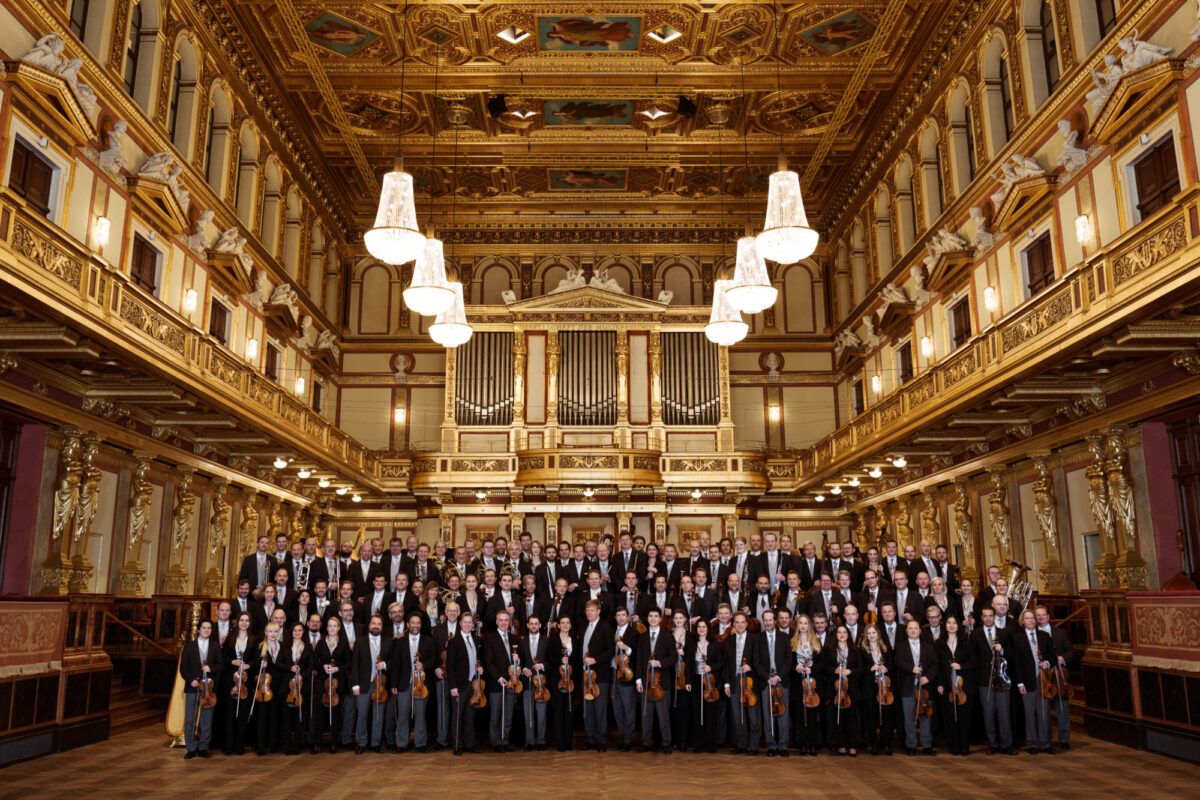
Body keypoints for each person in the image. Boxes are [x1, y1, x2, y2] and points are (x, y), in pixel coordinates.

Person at [973, 605, 1014, 754]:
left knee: (1004, 714)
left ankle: (1006, 745)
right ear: (981, 618)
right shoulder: (975, 635)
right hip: (985, 681)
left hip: (1002, 680)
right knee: (988, 715)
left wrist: (1002, 650)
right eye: (985, 616)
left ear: (994, 616)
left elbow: (1012, 654)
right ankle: (992, 744)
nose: (988, 618)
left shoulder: (1004, 633)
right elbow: (973, 659)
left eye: (991, 615)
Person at [1011, 609, 1054, 754]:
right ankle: (1032, 744)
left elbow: (1052, 656)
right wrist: (1019, 683)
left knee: (1044, 713)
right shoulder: (1017, 638)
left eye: (1032, 618)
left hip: (1043, 680)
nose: (1030, 620)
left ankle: (1045, 744)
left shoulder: (1044, 636)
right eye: (1027, 618)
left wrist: (1047, 662)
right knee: (1029, 714)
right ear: (1022, 621)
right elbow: (1016, 662)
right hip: (1026, 681)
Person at [180, 619, 223, 759]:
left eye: (209, 628)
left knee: (207, 718)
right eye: (204, 627)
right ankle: (191, 748)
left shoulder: (215, 646)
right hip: (193, 687)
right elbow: (183, 668)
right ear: (199, 629)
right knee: (190, 718)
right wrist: (190, 680)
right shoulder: (189, 646)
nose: (206, 630)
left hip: (208, 688)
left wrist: (211, 669)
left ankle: (204, 747)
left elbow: (220, 665)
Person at [895, 619, 938, 755]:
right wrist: (911, 669)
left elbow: (935, 664)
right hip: (908, 687)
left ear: (920, 631)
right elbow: (898, 662)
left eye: (915, 628)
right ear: (906, 631)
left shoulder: (928, 646)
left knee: (925, 715)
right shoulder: (900, 646)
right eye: (910, 628)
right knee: (909, 717)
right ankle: (911, 745)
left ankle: (927, 745)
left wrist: (928, 677)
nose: (913, 630)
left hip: (924, 687)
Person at [636, 606, 674, 752]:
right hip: (646, 682)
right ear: (647, 618)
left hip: (662, 683)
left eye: (656, 616)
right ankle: (646, 742)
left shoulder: (667, 636)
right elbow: (639, 659)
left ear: (660, 618)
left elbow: (673, 657)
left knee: (663, 715)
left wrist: (659, 663)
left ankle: (666, 743)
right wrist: (638, 680)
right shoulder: (643, 636)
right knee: (646, 714)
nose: (653, 619)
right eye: (650, 616)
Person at [936, 613, 975, 756]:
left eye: (954, 623)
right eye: (949, 623)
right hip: (947, 685)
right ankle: (954, 745)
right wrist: (939, 683)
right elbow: (937, 665)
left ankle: (964, 746)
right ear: (944, 625)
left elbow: (973, 662)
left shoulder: (967, 641)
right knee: (950, 716)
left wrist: (961, 666)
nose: (951, 625)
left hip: (963, 686)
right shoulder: (939, 643)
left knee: (964, 717)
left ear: (958, 625)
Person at [444, 612, 482, 755]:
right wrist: (452, 686)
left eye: (469, 622)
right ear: (460, 624)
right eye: (465, 622)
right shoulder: (453, 642)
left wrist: (480, 668)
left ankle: (469, 744)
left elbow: (479, 660)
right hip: (459, 685)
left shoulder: (477, 640)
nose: (467, 624)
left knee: (470, 716)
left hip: (474, 683)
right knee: (458, 716)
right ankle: (457, 745)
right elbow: (450, 666)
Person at [723, 611, 761, 754]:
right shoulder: (729, 640)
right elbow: (727, 664)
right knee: (737, 715)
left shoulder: (755, 639)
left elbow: (761, 660)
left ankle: (754, 745)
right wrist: (726, 683)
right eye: (737, 622)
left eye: (742, 622)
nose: (740, 625)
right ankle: (741, 744)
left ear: (747, 624)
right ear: (733, 624)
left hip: (750, 682)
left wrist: (751, 667)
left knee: (753, 715)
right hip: (734, 681)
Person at [1035, 605, 1073, 749]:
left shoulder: (1060, 633)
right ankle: (1046, 741)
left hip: (1059, 675)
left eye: (1043, 614)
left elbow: (1070, 651)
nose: (1041, 617)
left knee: (1062, 709)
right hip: (1043, 676)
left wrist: (1063, 658)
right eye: (1038, 615)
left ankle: (1064, 739)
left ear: (1048, 616)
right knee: (1044, 710)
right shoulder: (1033, 634)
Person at [350, 614, 388, 753]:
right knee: (362, 714)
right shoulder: (360, 642)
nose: (376, 626)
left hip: (381, 685)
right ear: (369, 625)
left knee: (378, 714)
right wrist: (355, 685)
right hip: (363, 684)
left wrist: (385, 664)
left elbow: (393, 661)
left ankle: (375, 742)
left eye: (379, 624)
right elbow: (355, 664)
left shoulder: (388, 641)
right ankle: (361, 742)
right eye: (373, 623)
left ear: (382, 627)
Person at [578, 599, 614, 750]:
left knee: (600, 709)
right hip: (586, 675)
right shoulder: (584, 626)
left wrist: (595, 660)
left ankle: (601, 740)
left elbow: (611, 651)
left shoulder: (605, 627)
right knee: (588, 708)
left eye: (592, 610)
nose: (589, 613)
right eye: (587, 610)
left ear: (598, 611)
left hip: (600, 676)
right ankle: (590, 739)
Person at [311, 616, 350, 753]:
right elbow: (314, 661)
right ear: (326, 628)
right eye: (329, 626)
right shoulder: (321, 642)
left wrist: (338, 668)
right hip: (323, 682)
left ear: (338, 628)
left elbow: (349, 663)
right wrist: (323, 666)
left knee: (336, 714)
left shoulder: (344, 643)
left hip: (337, 683)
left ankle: (334, 743)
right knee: (320, 713)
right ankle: (317, 743)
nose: (332, 628)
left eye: (335, 626)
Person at [822, 623, 861, 756]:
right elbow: (824, 667)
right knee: (838, 717)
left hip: (852, 688)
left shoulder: (855, 650)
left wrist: (850, 671)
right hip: (836, 688)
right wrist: (835, 670)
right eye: (839, 632)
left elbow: (861, 668)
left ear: (848, 634)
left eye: (844, 632)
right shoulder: (829, 650)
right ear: (836, 635)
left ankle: (853, 744)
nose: (842, 634)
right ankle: (841, 744)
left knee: (852, 717)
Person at [757, 609, 791, 757]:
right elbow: (756, 662)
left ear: (775, 621)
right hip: (766, 682)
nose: (768, 622)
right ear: (763, 621)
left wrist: (778, 677)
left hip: (782, 681)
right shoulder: (758, 638)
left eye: (771, 619)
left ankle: (783, 746)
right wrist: (767, 677)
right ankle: (771, 745)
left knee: (783, 715)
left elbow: (789, 660)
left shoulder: (785, 637)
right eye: (766, 620)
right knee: (768, 715)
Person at [222, 612, 256, 755]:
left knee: (243, 713)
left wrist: (249, 665)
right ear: (237, 622)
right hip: (231, 680)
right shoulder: (230, 638)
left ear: (250, 623)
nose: (244, 623)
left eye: (247, 620)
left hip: (246, 681)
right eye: (241, 620)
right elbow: (223, 657)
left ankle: (239, 746)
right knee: (230, 714)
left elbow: (257, 659)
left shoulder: (254, 639)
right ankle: (228, 746)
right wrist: (232, 661)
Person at [689, 619, 723, 753]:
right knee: (697, 713)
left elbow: (721, 662)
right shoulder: (692, 644)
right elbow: (688, 663)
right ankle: (699, 744)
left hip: (710, 681)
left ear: (708, 629)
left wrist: (711, 667)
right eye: (699, 626)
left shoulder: (715, 644)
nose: (701, 629)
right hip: (696, 681)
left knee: (710, 714)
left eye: (704, 627)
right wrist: (688, 682)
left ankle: (710, 744)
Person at [860, 623, 894, 755]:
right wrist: (871, 668)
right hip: (869, 686)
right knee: (870, 715)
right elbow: (859, 669)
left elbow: (892, 665)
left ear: (878, 634)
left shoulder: (885, 648)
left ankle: (886, 743)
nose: (871, 635)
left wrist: (886, 668)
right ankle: (873, 743)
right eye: (869, 633)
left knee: (886, 715)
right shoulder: (862, 650)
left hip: (884, 685)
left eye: (873, 632)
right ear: (866, 635)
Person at [254, 621, 287, 755]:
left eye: (275, 631)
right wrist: (260, 665)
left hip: (278, 686)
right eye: (270, 631)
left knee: (275, 716)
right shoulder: (260, 647)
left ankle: (273, 745)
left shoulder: (283, 647)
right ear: (266, 633)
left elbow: (285, 665)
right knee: (262, 716)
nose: (273, 634)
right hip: (264, 686)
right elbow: (254, 665)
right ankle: (260, 746)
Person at [280, 622, 312, 755]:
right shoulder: (285, 646)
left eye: (300, 630)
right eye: (295, 630)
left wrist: (302, 676)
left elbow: (311, 665)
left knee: (299, 716)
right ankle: (287, 745)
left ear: (303, 632)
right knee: (287, 717)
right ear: (291, 632)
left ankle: (297, 745)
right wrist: (290, 668)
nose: (297, 633)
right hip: (287, 685)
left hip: (302, 685)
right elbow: (279, 663)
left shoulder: (308, 647)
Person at [519, 613, 550, 750]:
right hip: (527, 683)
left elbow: (551, 661)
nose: (534, 626)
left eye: (536, 624)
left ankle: (541, 741)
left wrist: (542, 665)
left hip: (541, 684)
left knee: (541, 714)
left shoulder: (546, 640)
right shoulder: (522, 641)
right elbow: (519, 661)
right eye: (531, 623)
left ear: (540, 625)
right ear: (527, 625)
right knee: (528, 714)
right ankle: (530, 741)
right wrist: (524, 669)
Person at [610, 606, 639, 750]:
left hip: (627, 675)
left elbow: (638, 653)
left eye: (623, 615)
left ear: (628, 617)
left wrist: (626, 647)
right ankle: (622, 736)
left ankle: (629, 739)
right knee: (617, 709)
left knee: (628, 709)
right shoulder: (612, 632)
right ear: (615, 617)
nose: (621, 617)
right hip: (614, 675)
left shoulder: (634, 632)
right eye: (618, 615)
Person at [548, 615, 577, 751]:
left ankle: (568, 742)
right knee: (559, 710)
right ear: (558, 625)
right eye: (562, 623)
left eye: (567, 623)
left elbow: (577, 659)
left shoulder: (574, 640)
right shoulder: (553, 640)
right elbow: (549, 658)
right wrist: (560, 660)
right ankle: (560, 743)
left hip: (570, 679)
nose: (565, 625)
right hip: (557, 680)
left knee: (569, 710)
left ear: (570, 625)